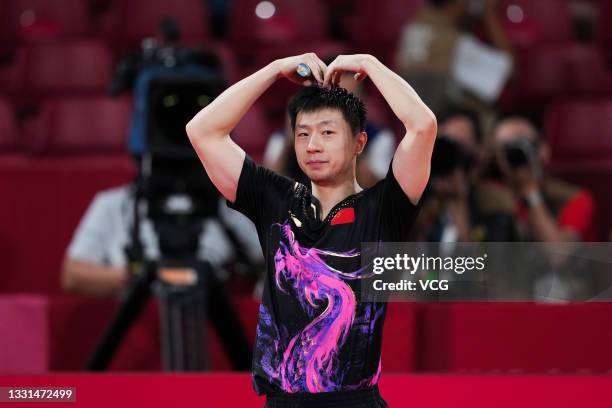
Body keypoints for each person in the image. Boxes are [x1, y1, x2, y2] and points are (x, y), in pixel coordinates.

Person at [186, 53, 436, 406]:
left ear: (359, 143)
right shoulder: (274, 200)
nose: (312, 146)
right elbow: (202, 131)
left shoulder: (385, 208)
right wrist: (273, 70)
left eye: (327, 133)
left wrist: (369, 63)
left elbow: (424, 126)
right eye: (303, 134)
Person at [61, 181, 261, 370]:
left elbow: (275, 260)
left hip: (219, 354)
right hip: (135, 355)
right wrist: (139, 276)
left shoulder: (229, 207)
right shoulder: (114, 205)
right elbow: (73, 275)